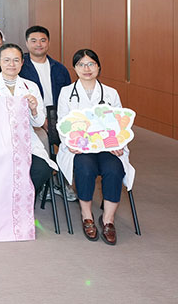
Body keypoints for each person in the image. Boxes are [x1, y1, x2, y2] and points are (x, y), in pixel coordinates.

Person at [57, 49, 134, 245]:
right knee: (85, 169)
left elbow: (120, 123)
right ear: (75, 68)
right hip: (81, 148)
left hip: (107, 147)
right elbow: (62, 123)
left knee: (114, 169)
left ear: (98, 67)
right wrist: (70, 143)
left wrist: (118, 143)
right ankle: (87, 215)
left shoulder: (110, 93)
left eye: (91, 64)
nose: (87, 68)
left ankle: (108, 219)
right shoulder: (66, 92)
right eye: (81, 64)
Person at [0, 44, 55, 196]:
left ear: (22, 62)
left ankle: (23, 203)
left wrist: (34, 109)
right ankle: (5, 203)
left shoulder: (30, 86)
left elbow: (39, 123)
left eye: (16, 60)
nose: (11, 64)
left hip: (26, 140)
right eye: (6, 60)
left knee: (42, 169)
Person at [20, 25, 72, 156]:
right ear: (26, 43)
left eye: (43, 40)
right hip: (31, 117)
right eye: (34, 41)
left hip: (57, 115)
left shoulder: (60, 68)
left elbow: (69, 97)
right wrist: (42, 121)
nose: (39, 44)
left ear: (48, 42)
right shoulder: (20, 68)